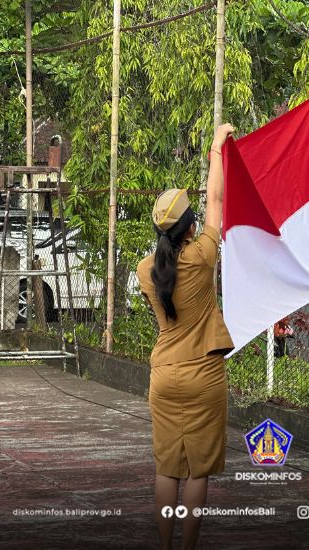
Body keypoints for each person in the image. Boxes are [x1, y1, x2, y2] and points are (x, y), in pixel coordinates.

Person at [136, 123, 235, 550]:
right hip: (204, 376)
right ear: (190, 229)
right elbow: (216, 198)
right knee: (197, 472)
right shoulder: (203, 255)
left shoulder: (145, 270)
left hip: (164, 375)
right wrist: (217, 148)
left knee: (166, 469)